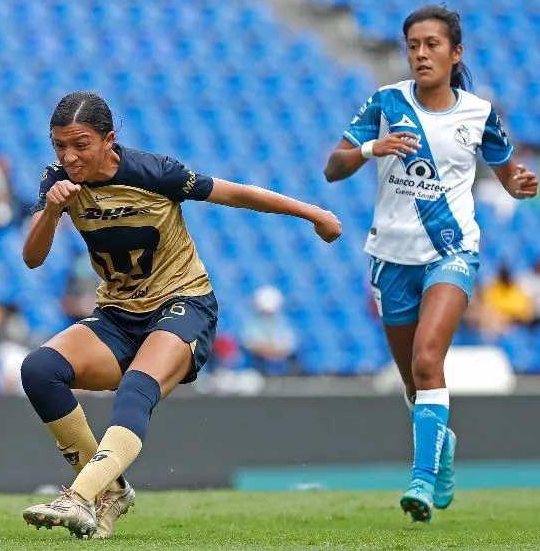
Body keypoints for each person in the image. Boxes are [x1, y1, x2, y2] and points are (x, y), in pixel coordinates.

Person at [20, 91, 341, 538]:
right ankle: (110, 491)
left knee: (136, 388)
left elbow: (236, 194)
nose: (69, 157)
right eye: (59, 146)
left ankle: (79, 497)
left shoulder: (154, 172)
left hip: (183, 304)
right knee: (39, 370)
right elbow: (32, 257)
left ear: (109, 140)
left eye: (80, 145)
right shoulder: (56, 180)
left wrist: (314, 214)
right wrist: (53, 210)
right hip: (118, 313)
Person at [322, 5, 538, 523]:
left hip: (451, 252)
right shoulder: (386, 101)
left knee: (427, 359)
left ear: (455, 53)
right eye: (413, 45)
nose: (420, 54)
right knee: (413, 384)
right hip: (390, 258)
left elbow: (508, 175)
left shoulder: (479, 114)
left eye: (432, 45)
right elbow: (332, 168)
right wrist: (372, 148)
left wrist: (521, 184)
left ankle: (420, 480)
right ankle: (442, 444)